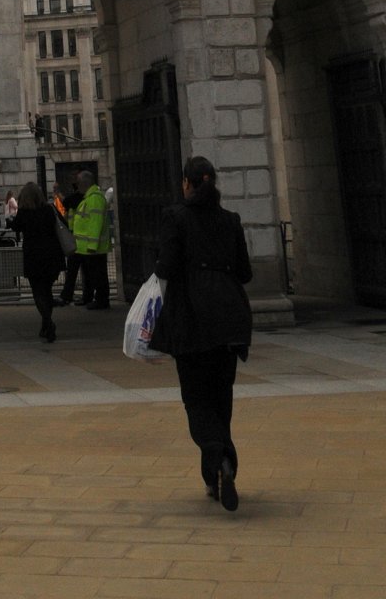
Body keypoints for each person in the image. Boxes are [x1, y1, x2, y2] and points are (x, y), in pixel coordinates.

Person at [153, 156, 253, 513]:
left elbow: (166, 266)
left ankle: (217, 456)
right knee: (220, 394)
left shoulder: (174, 217)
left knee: (195, 398)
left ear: (186, 183)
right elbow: (245, 272)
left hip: (191, 316)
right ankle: (217, 473)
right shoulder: (231, 220)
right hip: (230, 315)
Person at [13, 183, 64, 341]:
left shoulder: (24, 213)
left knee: (38, 291)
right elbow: (62, 224)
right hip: (51, 254)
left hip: (33, 255)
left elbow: (15, 226)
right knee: (47, 290)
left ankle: (48, 322)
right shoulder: (49, 209)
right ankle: (45, 324)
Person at [70, 168, 113, 310]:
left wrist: (92, 246)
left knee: (98, 275)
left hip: (94, 248)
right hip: (88, 248)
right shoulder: (90, 198)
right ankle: (95, 298)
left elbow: (96, 223)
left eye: (78, 183)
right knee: (93, 275)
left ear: (84, 184)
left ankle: (101, 300)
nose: (77, 186)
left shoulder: (94, 199)